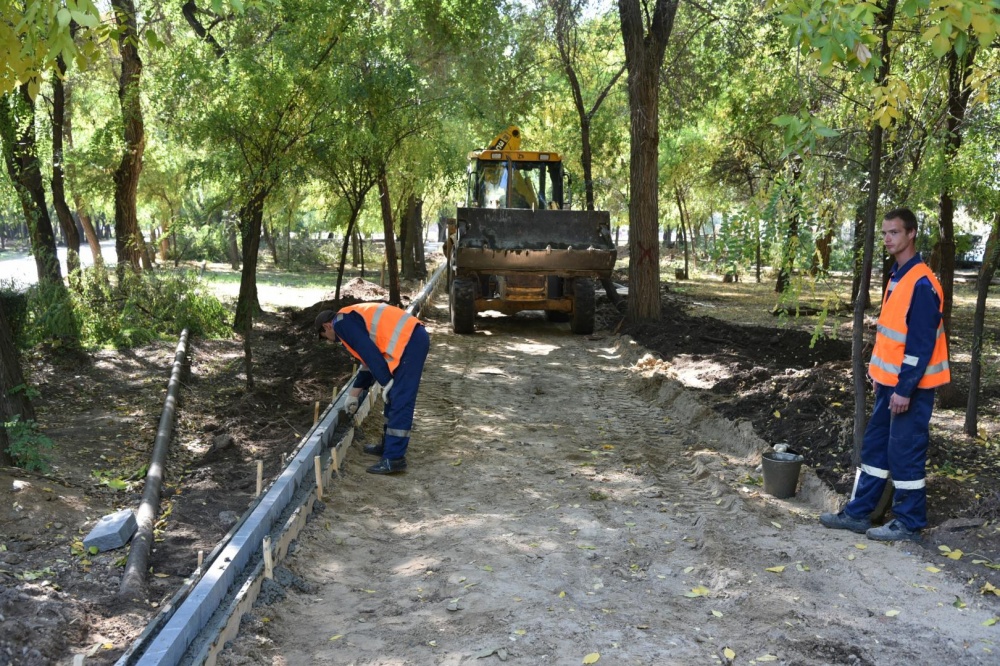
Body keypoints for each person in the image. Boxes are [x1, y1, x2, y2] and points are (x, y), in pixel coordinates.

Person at [820, 207, 950, 542]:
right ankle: (859, 513)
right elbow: (893, 334)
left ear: (911, 234)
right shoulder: (898, 275)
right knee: (876, 450)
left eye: (894, 232)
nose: (888, 239)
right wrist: (880, 375)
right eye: (884, 233)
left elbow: (920, 345)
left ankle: (908, 522)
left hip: (911, 390)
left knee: (904, 453)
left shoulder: (922, 282)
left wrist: (905, 389)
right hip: (889, 385)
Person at [315, 303, 430, 475]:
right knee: (392, 396)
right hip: (409, 340)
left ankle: (394, 459)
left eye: (325, 336)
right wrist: (353, 394)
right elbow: (367, 363)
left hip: (411, 341)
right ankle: (388, 446)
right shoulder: (347, 320)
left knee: (400, 398)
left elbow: (369, 353)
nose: (329, 340)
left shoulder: (341, 324)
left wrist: (385, 381)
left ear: (326, 326)